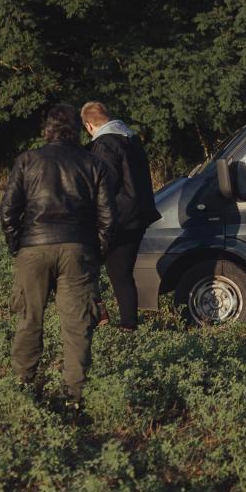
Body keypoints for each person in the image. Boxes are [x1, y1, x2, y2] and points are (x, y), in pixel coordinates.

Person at [0, 103, 115, 405]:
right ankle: (73, 398)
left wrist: (18, 246)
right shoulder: (94, 164)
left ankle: (22, 388)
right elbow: (107, 218)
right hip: (79, 250)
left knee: (29, 320)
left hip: (33, 248)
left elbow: (8, 211)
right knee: (77, 327)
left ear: (47, 129)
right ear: (77, 131)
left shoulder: (27, 160)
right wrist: (96, 254)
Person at [81, 101, 161, 330]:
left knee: (85, 264)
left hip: (117, 218)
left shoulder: (105, 144)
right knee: (121, 273)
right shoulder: (131, 138)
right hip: (139, 216)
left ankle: (102, 315)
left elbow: (105, 184)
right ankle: (127, 325)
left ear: (88, 126)